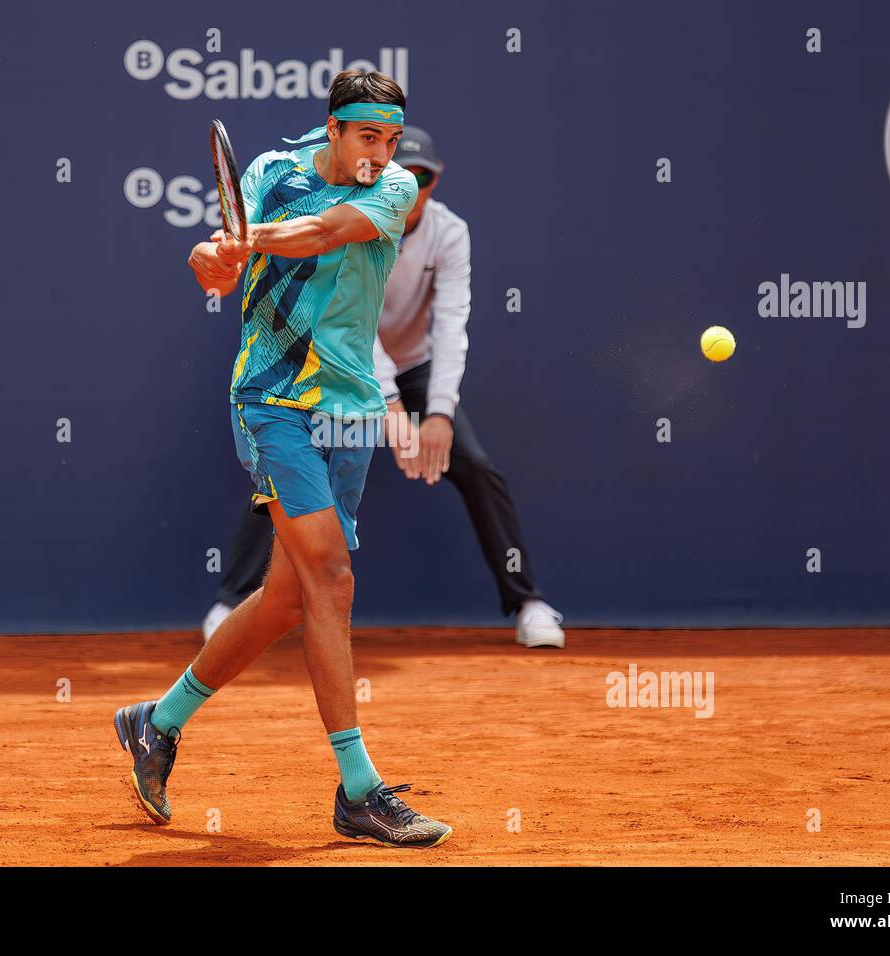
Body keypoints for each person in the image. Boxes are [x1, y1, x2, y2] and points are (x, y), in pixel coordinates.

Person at [113, 71, 452, 849]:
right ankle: (359, 789)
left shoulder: (393, 188)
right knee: (331, 575)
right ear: (332, 128)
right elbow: (226, 271)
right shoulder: (270, 172)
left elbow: (324, 233)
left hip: (350, 410)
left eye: (392, 139)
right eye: (368, 136)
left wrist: (242, 238)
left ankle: (154, 724)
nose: (382, 153)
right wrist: (213, 260)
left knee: (286, 603)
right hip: (272, 402)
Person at [203, 126, 566, 649]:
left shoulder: (450, 233)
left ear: (435, 181)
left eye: (425, 176)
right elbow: (350, 320)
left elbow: (452, 323)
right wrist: (388, 404)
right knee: (285, 470)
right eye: (405, 175)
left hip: (415, 367)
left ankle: (529, 603)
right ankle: (230, 602)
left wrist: (437, 413)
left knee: (477, 467)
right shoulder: (352, 220)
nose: (413, 186)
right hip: (333, 360)